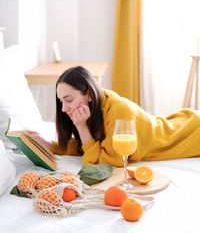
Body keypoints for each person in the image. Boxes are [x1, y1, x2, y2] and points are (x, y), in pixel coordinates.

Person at [29, 66, 200, 167]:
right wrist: (50, 145)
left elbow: (108, 161)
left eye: (69, 100)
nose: (64, 108)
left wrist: (82, 127)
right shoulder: (96, 106)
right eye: (61, 102)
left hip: (190, 134)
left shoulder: (119, 111)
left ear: (88, 94)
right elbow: (88, 146)